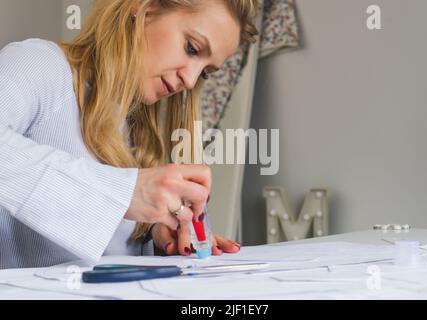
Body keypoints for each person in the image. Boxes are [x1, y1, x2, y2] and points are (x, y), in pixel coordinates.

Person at [0, 0, 259, 269]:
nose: (191, 80)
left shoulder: (148, 127)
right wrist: (127, 193)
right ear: (144, 7)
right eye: (191, 48)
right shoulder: (39, 65)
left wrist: (153, 238)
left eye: (205, 72)